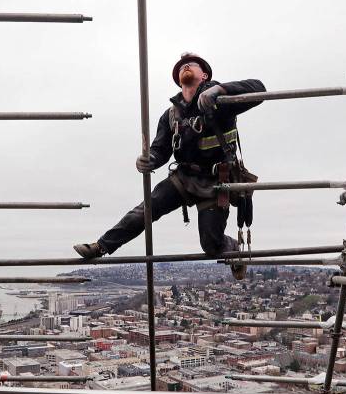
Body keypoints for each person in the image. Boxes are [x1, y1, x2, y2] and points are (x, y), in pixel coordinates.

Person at [74, 52, 265, 279]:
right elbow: (161, 150)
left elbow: (259, 89)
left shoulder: (220, 103)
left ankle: (231, 247)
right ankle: (101, 246)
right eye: (181, 66)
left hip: (216, 182)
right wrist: (149, 159)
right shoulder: (172, 115)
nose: (185, 67)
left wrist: (220, 91)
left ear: (203, 75)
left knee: (211, 244)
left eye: (191, 65)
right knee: (145, 211)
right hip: (183, 178)